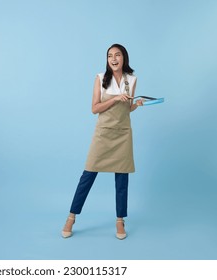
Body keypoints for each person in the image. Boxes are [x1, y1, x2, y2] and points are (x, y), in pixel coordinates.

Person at [61, 43, 143, 240]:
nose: (113, 59)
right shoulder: (100, 79)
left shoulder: (131, 80)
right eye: (110, 56)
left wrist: (136, 105)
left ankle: (120, 221)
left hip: (123, 134)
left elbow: (127, 107)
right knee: (88, 175)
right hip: (103, 133)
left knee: (122, 179)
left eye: (117, 55)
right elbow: (95, 108)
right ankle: (71, 218)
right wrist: (115, 99)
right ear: (107, 60)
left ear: (124, 58)